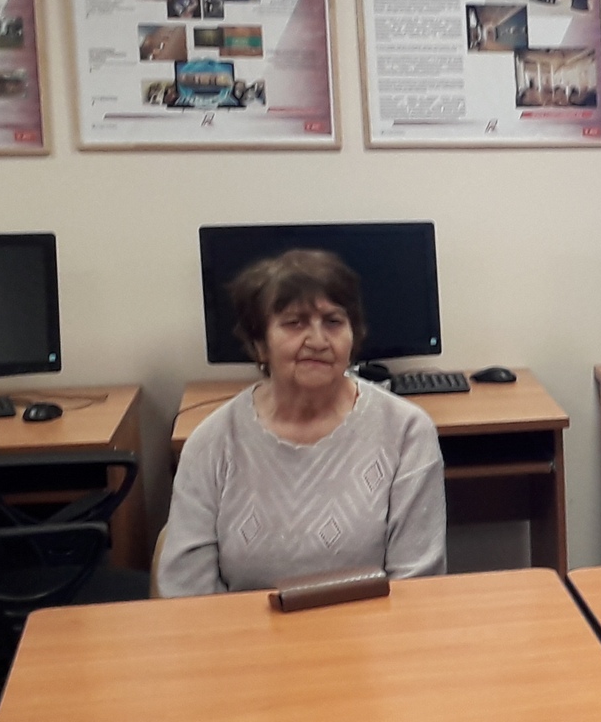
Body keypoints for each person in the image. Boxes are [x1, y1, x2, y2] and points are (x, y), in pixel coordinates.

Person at [160, 250, 446, 595]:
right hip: (245, 629)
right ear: (259, 345)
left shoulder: (406, 433)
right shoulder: (212, 442)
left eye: (333, 322)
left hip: (372, 628)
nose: (318, 341)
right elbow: (186, 592)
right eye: (295, 323)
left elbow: (416, 586)